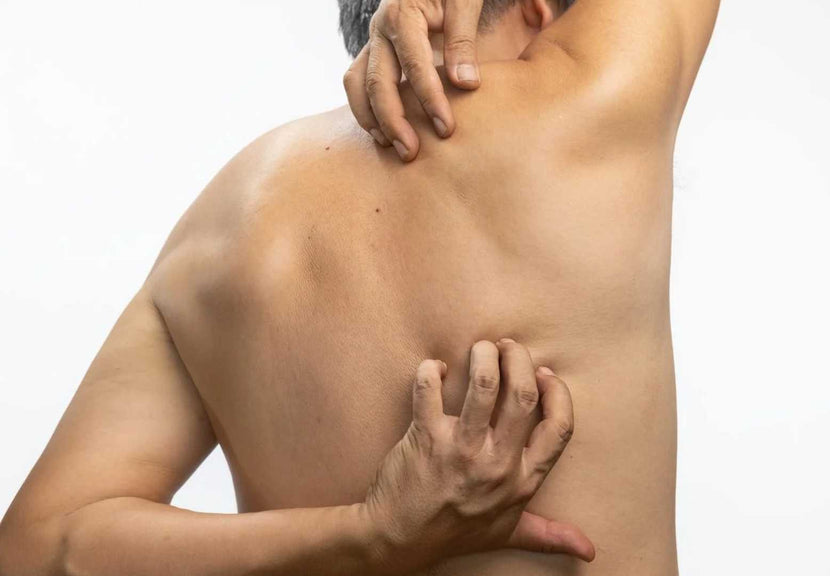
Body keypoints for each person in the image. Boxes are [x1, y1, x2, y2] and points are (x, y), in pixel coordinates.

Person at [0, 0, 719, 574]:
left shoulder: (225, 221)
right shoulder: (592, 104)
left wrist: (370, 537)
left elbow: (39, 550)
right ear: (538, 10)